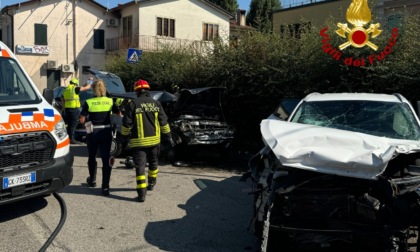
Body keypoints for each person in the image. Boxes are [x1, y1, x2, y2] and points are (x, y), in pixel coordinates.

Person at [120, 79, 174, 202]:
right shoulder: (156, 103)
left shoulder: (132, 104)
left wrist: (123, 140)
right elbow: (163, 123)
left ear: (137, 91)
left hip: (138, 143)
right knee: (154, 163)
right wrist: (168, 137)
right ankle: (152, 183)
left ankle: (141, 194)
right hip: (155, 142)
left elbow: (126, 125)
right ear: (148, 90)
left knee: (140, 167)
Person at [79, 80, 121, 196]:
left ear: (93, 89)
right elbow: (119, 114)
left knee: (92, 156)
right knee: (106, 158)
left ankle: (92, 180)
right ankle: (105, 187)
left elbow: (82, 119)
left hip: (92, 132)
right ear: (104, 89)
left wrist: (86, 123)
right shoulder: (110, 101)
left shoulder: (88, 102)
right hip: (106, 131)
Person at [62, 77, 91, 144]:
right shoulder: (74, 88)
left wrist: (63, 109)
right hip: (74, 109)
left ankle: (73, 137)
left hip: (68, 109)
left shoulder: (66, 89)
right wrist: (91, 81)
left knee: (71, 124)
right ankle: (71, 139)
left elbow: (62, 99)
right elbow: (87, 88)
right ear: (75, 84)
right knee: (73, 124)